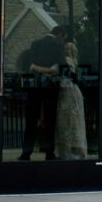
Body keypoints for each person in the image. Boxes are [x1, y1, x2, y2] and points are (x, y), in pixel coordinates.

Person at [18, 25, 66, 161]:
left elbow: (29, 65)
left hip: (34, 86)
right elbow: (62, 65)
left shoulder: (35, 44)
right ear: (60, 34)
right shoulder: (58, 45)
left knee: (31, 119)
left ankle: (26, 152)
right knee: (50, 119)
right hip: (50, 86)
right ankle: (49, 152)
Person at [54, 39, 88, 160]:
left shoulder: (66, 61)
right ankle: (77, 150)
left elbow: (55, 71)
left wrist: (36, 67)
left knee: (66, 120)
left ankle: (67, 151)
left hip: (67, 92)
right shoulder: (74, 61)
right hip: (73, 91)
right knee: (75, 120)